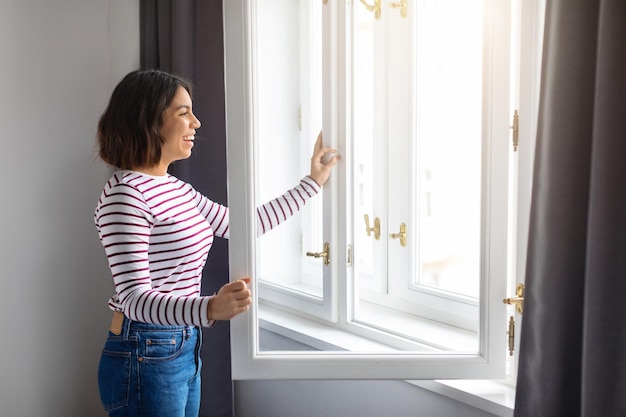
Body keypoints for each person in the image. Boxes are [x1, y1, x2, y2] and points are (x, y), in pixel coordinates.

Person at [94, 69, 339, 417]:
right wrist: (210, 308)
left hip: (182, 342)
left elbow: (245, 225)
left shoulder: (176, 189)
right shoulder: (125, 195)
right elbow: (133, 300)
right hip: (145, 347)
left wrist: (312, 182)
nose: (196, 123)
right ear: (148, 119)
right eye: (183, 113)